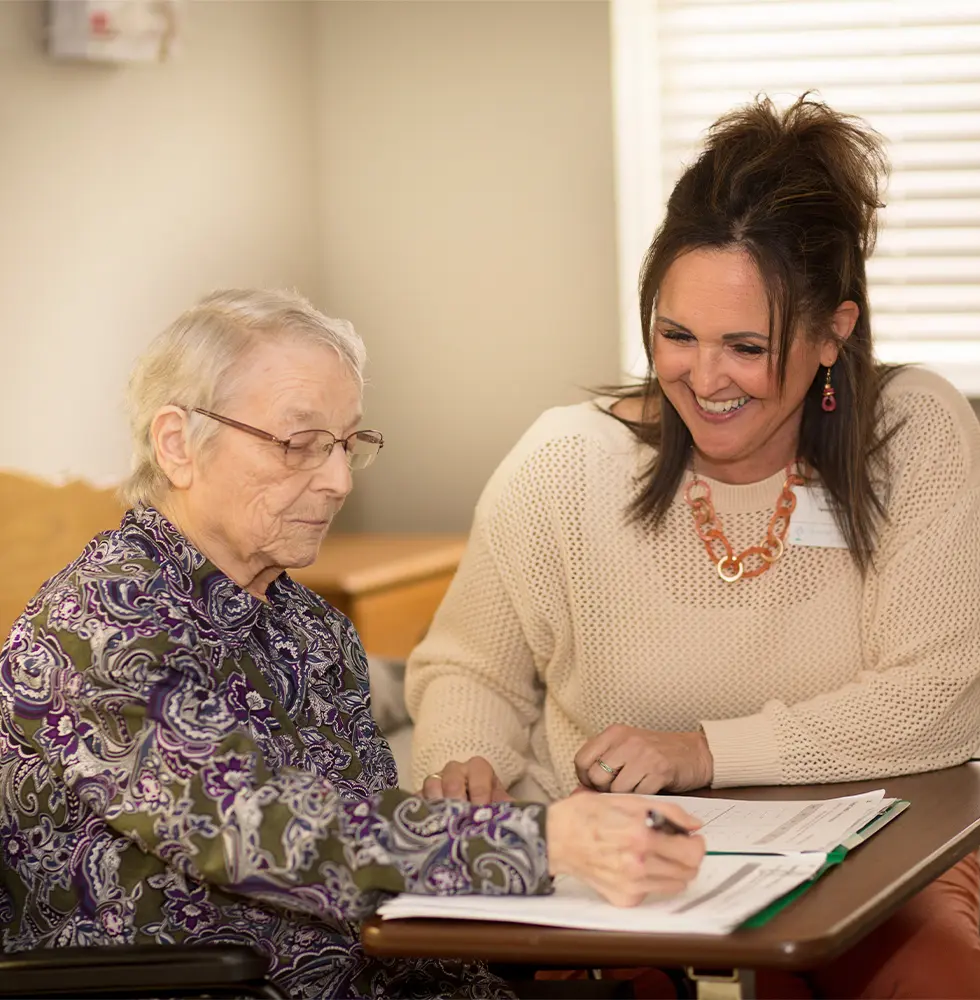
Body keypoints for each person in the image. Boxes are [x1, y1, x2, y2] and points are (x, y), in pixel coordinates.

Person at [407, 96, 980, 998]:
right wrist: (463, 762)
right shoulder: (565, 464)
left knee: (927, 976)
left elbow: (935, 703)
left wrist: (703, 751)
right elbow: (471, 670)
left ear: (834, 333)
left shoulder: (914, 436)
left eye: (746, 346)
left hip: (875, 853)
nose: (704, 378)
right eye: (676, 335)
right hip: (625, 864)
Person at [0, 289, 706, 1000]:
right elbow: (253, 823)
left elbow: (358, 843)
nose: (337, 481)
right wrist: (542, 839)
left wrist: (458, 821)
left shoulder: (311, 626)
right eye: (299, 444)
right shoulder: (101, 621)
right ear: (178, 443)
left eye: (347, 444)